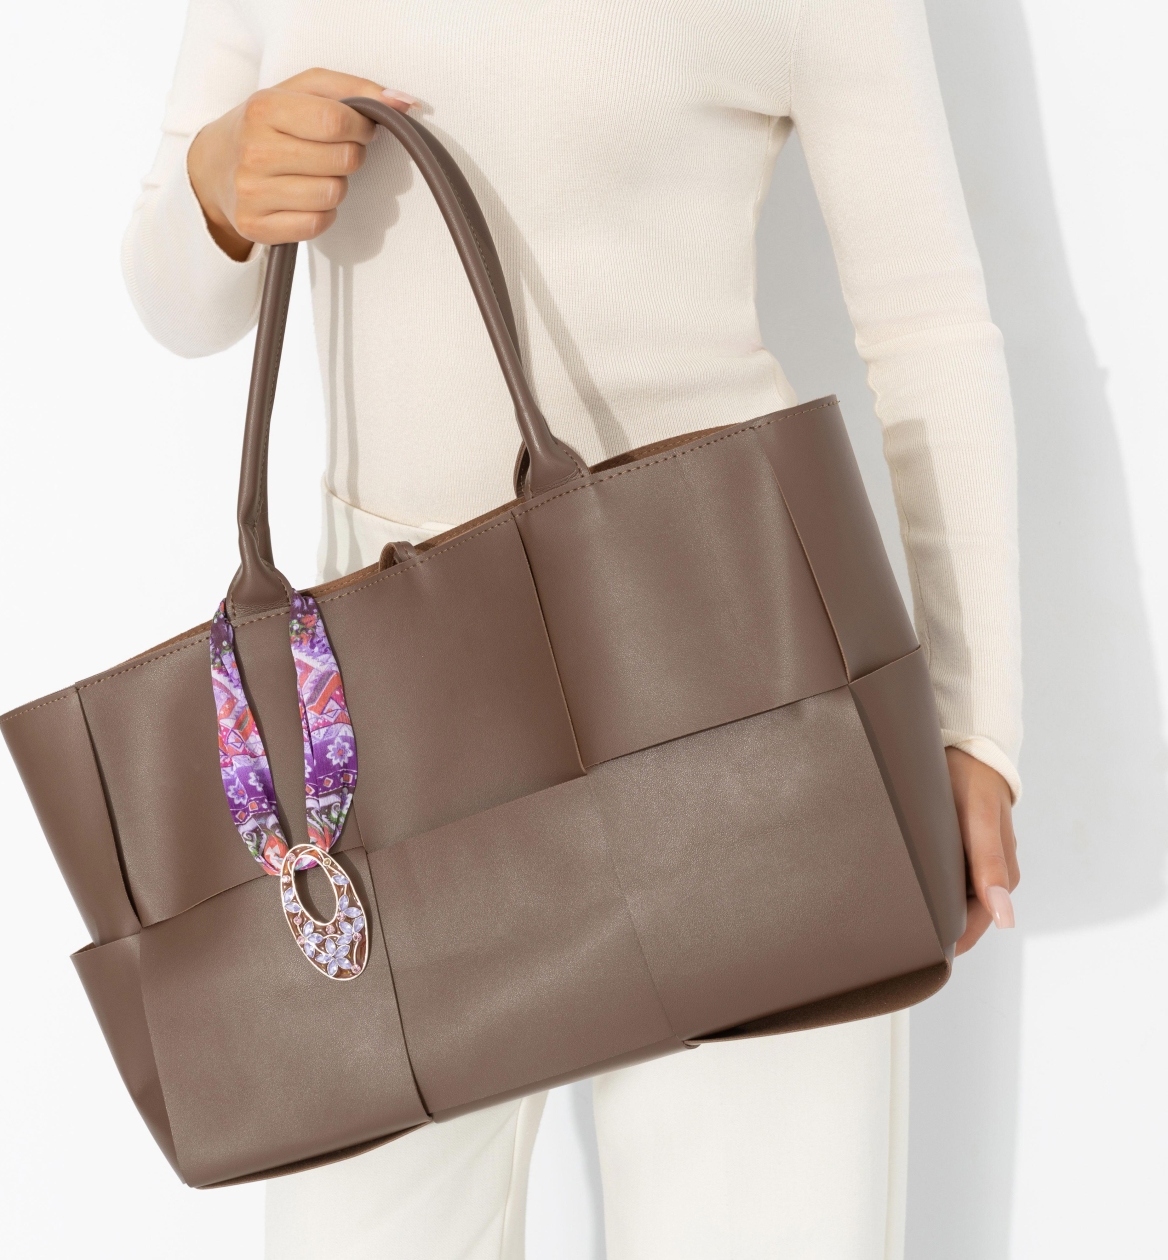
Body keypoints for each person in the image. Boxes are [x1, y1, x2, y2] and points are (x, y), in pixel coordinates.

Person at [124, 1, 1021, 1256]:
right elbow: (177, 299)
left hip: (737, 696)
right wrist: (218, 188)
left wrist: (976, 724)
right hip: (375, 727)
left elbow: (927, 327)